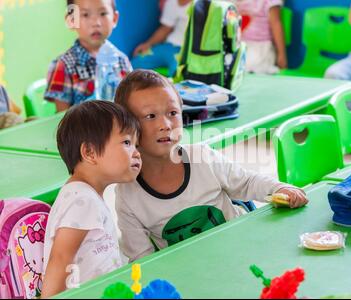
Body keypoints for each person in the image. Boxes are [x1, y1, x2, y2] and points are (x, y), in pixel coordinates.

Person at [113, 69, 308, 262]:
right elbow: (142, 261)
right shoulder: (128, 195)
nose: (165, 124)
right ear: (127, 128)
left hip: (241, 249)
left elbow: (247, 182)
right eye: (150, 116)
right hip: (192, 272)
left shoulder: (202, 156)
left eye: (172, 113)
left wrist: (279, 188)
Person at [41, 100, 141, 298]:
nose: (137, 153)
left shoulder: (85, 194)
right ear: (89, 152)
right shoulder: (82, 199)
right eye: (127, 143)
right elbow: (60, 259)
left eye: (136, 144)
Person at [44, 0, 132, 112]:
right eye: (85, 14)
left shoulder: (121, 60)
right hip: (85, 129)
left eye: (103, 13)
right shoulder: (64, 65)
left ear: (114, 18)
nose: (96, 23)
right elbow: (63, 118)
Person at [131, 0, 192, 77]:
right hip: (169, 46)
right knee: (136, 63)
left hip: (185, 51)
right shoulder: (172, 3)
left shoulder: (201, 4)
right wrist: (148, 44)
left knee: (177, 72)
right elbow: (165, 29)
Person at [235, 0, 287, 74]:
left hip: (260, 47)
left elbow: (276, 24)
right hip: (238, 46)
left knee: (251, 66)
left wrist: (281, 55)